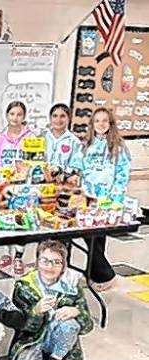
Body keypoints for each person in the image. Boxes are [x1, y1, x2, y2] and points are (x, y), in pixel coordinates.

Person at [12, 240, 94, 360]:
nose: (50, 267)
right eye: (45, 261)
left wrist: (76, 311)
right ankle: (39, 356)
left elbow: (88, 327)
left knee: (69, 325)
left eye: (57, 262)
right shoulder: (24, 287)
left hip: (58, 337)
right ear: (37, 262)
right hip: (33, 339)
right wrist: (36, 311)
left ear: (64, 266)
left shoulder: (72, 288)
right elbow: (21, 326)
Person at [80, 107, 131, 291]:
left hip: (107, 198)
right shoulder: (86, 145)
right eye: (97, 121)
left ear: (110, 124)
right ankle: (95, 274)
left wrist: (116, 198)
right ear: (92, 125)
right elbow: (81, 169)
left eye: (104, 121)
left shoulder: (118, 146)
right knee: (90, 237)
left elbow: (122, 174)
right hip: (87, 197)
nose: (101, 124)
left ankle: (105, 275)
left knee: (96, 238)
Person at [0, 101, 35, 276]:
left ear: (24, 117)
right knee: (5, 220)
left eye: (19, 114)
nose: (15, 118)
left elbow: (35, 161)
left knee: (22, 219)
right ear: (7, 115)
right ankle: (7, 254)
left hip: (23, 186)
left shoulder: (31, 138)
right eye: (12, 114)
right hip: (4, 186)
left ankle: (18, 257)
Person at [44, 103, 83, 176]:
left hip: (64, 182)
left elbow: (76, 167)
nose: (58, 120)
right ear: (50, 118)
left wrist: (59, 170)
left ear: (69, 118)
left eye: (62, 116)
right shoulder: (42, 137)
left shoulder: (74, 142)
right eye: (55, 116)